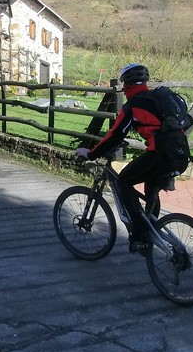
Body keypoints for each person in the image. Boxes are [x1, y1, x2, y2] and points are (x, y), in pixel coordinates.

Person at [74, 63, 175, 255]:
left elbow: (115, 135)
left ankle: (138, 235)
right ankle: (149, 235)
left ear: (126, 85)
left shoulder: (133, 105)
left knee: (122, 181)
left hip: (158, 154)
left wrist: (91, 153)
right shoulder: (159, 98)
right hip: (177, 155)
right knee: (151, 193)